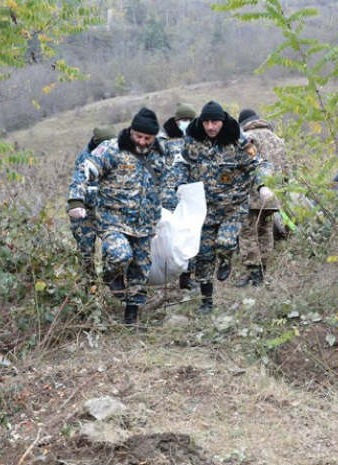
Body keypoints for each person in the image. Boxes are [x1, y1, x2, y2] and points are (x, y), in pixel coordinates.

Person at [67, 108, 171, 325]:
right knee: (120, 255)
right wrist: (75, 200)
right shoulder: (111, 149)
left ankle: (131, 317)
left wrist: (163, 215)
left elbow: (162, 187)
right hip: (113, 220)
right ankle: (111, 275)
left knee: (140, 270)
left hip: (144, 224)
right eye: (138, 136)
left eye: (147, 138)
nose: (142, 142)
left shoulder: (160, 156)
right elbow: (85, 170)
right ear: (131, 130)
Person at [177, 100, 266, 314]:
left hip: (232, 208)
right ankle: (207, 301)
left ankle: (226, 258)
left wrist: (262, 185)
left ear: (222, 121)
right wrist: (179, 183)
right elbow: (182, 163)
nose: (210, 127)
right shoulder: (193, 141)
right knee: (204, 257)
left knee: (225, 243)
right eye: (206, 122)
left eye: (214, 122)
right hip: (203, 209)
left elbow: (259, 165)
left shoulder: (239, 141)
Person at [235, 109, 290, 287]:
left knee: (248, 232)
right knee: (265, 231)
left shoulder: (247, 138)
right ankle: (263, 270)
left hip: (252, 194)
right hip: (272, 195)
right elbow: (287, 170)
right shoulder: (277, 139)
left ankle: (253, 273)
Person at [68, 125, 116, 283]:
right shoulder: (85, 158)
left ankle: (111, 281)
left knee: (113, 247)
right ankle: (90, 286)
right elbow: (78, 183)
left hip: (108, 212)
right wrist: (76, 202)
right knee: (86, 252)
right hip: (85, 214)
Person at [159, 102, 198, 291]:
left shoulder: (196, 140)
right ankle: (163, 273)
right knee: (169, 238)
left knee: (189, 236)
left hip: (189, 197)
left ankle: (187, 277)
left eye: (191, 120)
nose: (187, 123)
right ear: (176, 121)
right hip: (167, 198)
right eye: (184, 119)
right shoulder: (162, 141)